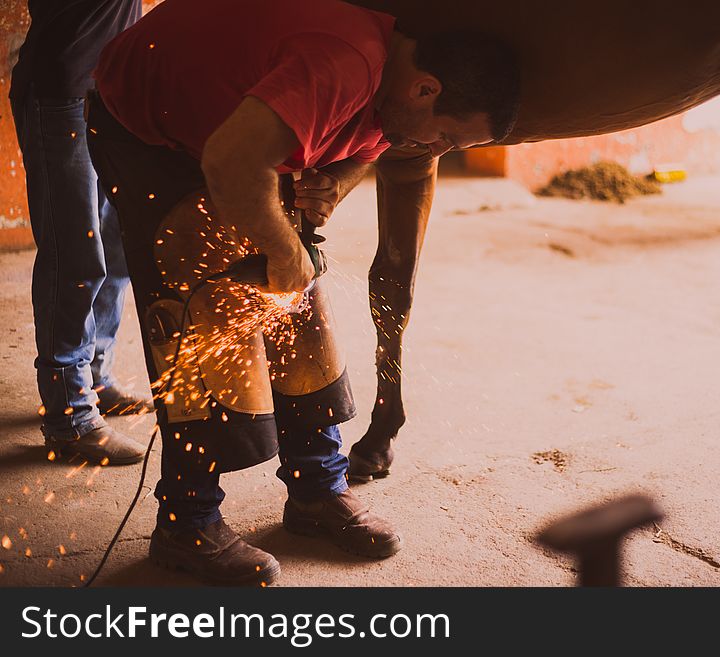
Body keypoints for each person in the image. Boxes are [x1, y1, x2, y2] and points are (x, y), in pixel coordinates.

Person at [86, 0, 520, 586]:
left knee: (300, 303)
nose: (436, 151)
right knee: (208, 305)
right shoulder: (342, 65)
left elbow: (360, 151)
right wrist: (284, 249)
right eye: (444, 136)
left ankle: (318, 489)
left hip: (236, 126)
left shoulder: (394, 97)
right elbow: (232, 158)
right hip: (151, 132)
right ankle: (186, 523)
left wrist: (327, 183)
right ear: (425, 89)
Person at [9, 0, 152, 467]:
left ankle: (93, 373)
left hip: (108, 94)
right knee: (75, 256)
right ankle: (69, 414)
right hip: (61, 93)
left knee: (115, 248)